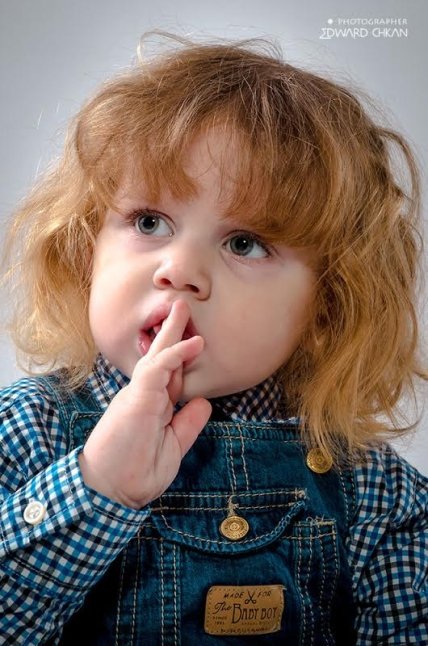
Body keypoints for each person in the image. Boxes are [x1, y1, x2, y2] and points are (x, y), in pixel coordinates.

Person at [1, 33, 427, 645]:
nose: (179, 269)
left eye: (244, 243)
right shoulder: (23, 433)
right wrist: (95, 487)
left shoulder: (370, 489)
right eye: (150, 222)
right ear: (85, 248)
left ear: (327, 306)